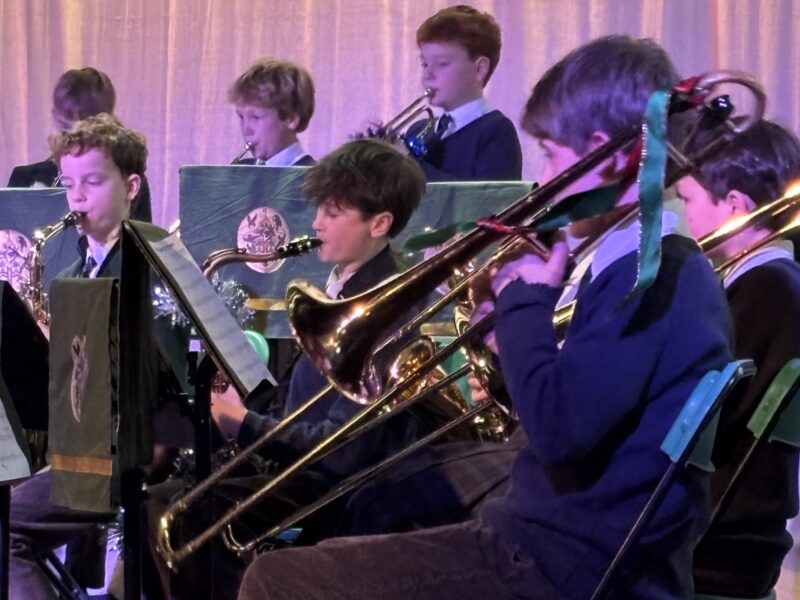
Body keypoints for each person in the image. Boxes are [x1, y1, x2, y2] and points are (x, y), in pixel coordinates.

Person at [235, 34, 735, 600]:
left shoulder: (651, 278)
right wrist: (507, 347)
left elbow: (558, 434)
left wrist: (523, 304)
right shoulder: (639, 264)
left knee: (274, 579)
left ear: (611, 154)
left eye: (550, 153)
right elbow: (583, 412)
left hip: (560, 561)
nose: (543, 180)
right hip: (551, 539)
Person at [145, 138, 451, 600]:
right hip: (304, 468)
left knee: (183, 516)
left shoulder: (387, 306)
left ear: (380, 223)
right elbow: (302, 402)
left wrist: (243, 423)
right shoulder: (343, 285)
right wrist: (246, 394)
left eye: (333, 212)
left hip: (343, 488)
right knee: (166, 498)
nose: (315, 223)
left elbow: (342, 451)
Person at [8, 113, 166, 600]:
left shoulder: (148, 264)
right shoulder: (80, 263)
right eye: (69, 183)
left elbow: (150, 366)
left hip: (129, 448)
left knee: (6, 533)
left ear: (131, 186)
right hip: (90, 442)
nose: (76, 197)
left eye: (93, 182)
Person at [674, 119, 800, 598]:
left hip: (718, 541)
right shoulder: (769, 283)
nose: (683, 215)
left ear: (734, 206)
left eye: (687, 200)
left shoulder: (765, 290)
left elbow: (700, 422)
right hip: (743, 535)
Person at [7, 67, 152, 222]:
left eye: (87, 115)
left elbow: (140, 241)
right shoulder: (24, 178)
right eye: (70, 115)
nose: (79, 127)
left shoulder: (128, 180)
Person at [402, 4, 522, 181]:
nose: (428, 74)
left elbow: (484, 202)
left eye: (442, 63)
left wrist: (408, 164)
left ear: (479, 69)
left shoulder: (496, 131)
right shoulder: (419, 130)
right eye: (425, 64)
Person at [228, 58, 315, 166]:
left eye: (255, 117)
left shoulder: (315, 179)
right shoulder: (240, 172)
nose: (246, 129)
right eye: (241, 117)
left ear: (291, 119)